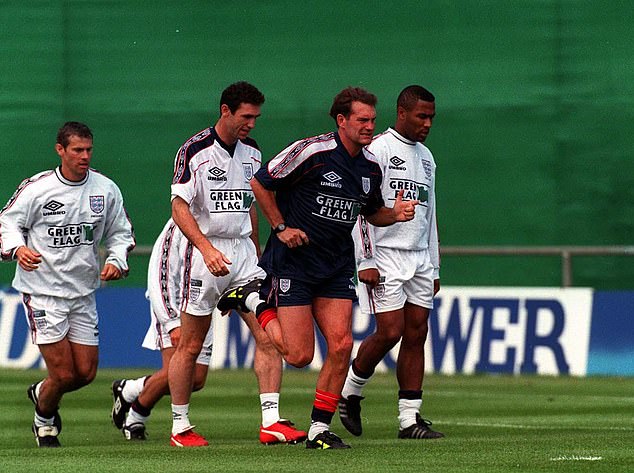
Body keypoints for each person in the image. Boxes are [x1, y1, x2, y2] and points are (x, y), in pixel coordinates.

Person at [246, 87, 419, 449]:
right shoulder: (313, 151)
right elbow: (260, 183)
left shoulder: (370, 166)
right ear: (341, 120)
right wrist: (280, 227)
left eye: (373, 120)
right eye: (362, 120)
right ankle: (253, 303)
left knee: (341, 345)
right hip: (295, 264)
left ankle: (318, 429)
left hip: (337, 267)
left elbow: (372, 213)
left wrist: (395, 214)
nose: (370, 126)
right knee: (299, 356)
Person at [165, 81, 305, 447]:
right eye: (246, 116)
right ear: (226, 111)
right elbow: (179, 206)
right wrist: (206, 249)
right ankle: (180, 427)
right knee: (191, 345)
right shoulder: (194, 150)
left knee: (268, 334)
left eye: (256, 117)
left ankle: (272, 421)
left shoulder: (253, 153)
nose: (252, 124)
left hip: (243, 255)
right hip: (203, 256)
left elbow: (252, 205)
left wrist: (256, 253)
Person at [110, 219, 306, 445]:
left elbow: (248, 234)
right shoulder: (179, 226)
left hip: (215, 290)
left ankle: (271, 421)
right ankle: (136, 408)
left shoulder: (234, 220)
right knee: (187, 373)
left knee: (204, 375)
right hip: (176, 301)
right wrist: (172, 321)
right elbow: (159, 273)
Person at [0, 121, 135, 447]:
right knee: (62, 375)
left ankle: (40, 391)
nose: (84, 156)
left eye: (88, 149)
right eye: (77, 150)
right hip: (43, 292)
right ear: (60, 150)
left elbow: (120, 232)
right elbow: (7, 221)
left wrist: (117, 259)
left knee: (85, 374)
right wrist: (18, 248)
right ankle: (44, 420)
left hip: (83, 291)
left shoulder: (105, 189)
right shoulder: (38, 189)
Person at [339, 85, 444, 440]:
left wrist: (435, 265)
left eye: (431, 117)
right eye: (421, 116)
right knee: (390, 332)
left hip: (419, 259)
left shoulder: (427, 158)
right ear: (402, 113)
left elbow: (430, 216)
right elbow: (360, 209)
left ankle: (409, 419)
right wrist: (365, 258)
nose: (427, 123)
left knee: (418, 333)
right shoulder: (378, 150)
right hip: (384, 256)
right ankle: (350, 391)